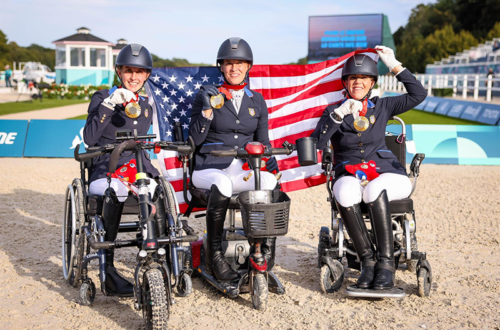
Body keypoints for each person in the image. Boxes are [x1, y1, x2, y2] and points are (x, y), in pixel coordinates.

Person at [311, 46, 426, 290]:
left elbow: (418, 94)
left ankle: (387, 265)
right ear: (345, 82)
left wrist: (395, 65)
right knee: (343, 193)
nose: (358, 82)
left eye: (363, 78)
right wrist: (338, 116)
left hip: (386, 172)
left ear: (372, 82)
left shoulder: (383, 107)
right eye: (353, 78)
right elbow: (318, 143)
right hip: (349, 171)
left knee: (373, 190)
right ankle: (368, 262)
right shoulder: (333, 111)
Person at [189, 37, 279, 283]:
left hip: (242, 167)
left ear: (248, 66)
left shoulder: (257, 101)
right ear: (221, 66)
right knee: (224, 185)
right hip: (209, 166)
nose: (234, 68)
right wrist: (207, 110)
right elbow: (194, 139)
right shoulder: (207, 95)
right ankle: (215, 255)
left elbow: (263, 142)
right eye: (229, 63)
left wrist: (271, 164)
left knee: (269, 182)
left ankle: (262, 249)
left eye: (240, 63)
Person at [83, 44, 165, 297]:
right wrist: (109, 105)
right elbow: (89, 138)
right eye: (129, 70)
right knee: (115, 190)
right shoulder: (101, 97)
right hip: (106, 169)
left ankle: (158, 258)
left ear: (147, 75)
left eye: (140, 72)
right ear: (119, 71)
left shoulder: (146, 105)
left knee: (158, 189)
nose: (134, 77)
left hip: (136, 168)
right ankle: (107, 271)